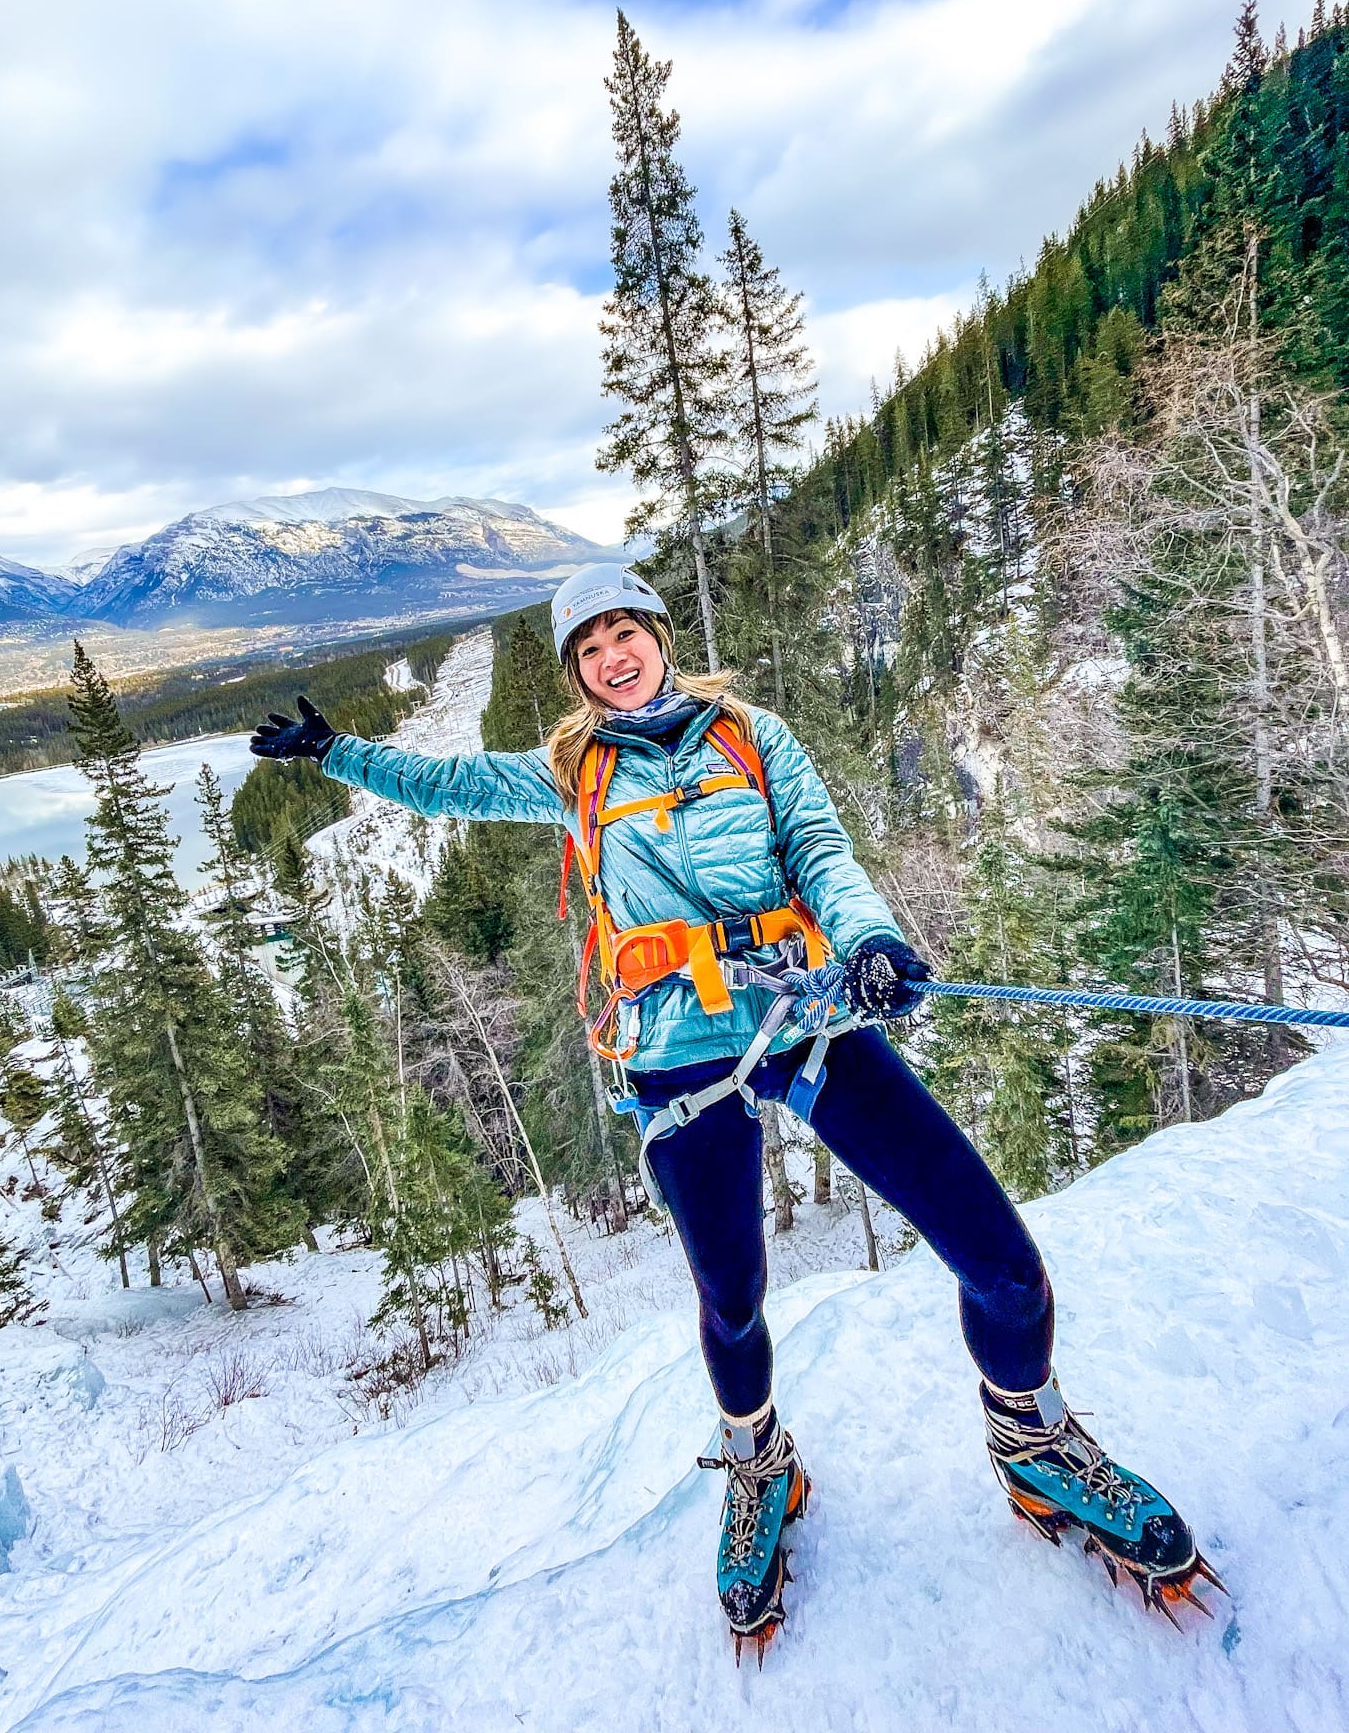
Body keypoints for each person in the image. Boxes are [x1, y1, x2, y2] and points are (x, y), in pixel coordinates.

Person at [252, 564, 1218, 1658]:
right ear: (577, 674)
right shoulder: (572, 772)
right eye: (591, 648)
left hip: (802, 1015)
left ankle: (1032, 1442)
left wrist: (870, 941)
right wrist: (339, 753)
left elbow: (820, 850)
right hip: (673, 1051)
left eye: (627, 633)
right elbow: (456, 784)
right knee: (733, 1296)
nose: (614, 656)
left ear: (660, 638)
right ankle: (759, 1462)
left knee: (1000, 1257)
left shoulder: (753, 736)